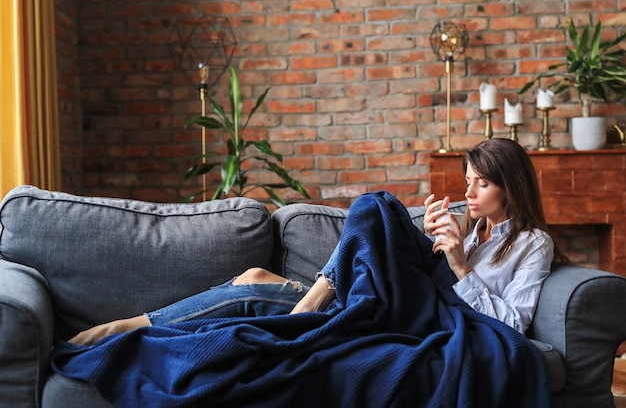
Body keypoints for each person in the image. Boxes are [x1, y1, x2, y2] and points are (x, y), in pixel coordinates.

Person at [69, 138, 567, 346]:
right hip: (414, 292)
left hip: (438, 317)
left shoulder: (533, 244)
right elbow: (407, 262)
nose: (468, 192)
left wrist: (460, 267)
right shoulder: (472, 226)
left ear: (512, 186)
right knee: (257, 276)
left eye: (481, 183)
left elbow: (515, 324)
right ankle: (319, 297)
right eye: (467, 181)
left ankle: (129, 326)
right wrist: (436, 239)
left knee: (259, 284)